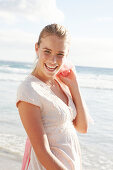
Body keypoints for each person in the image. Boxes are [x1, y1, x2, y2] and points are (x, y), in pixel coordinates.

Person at [16, 23, 89, 170]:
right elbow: (42, 152)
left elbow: (82, 127)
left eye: (60, 54)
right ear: (37, 48)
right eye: (47, 51)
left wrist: (75, 87)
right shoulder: (29, 90)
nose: (53, 60)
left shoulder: (61, 84)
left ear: (67, 54)